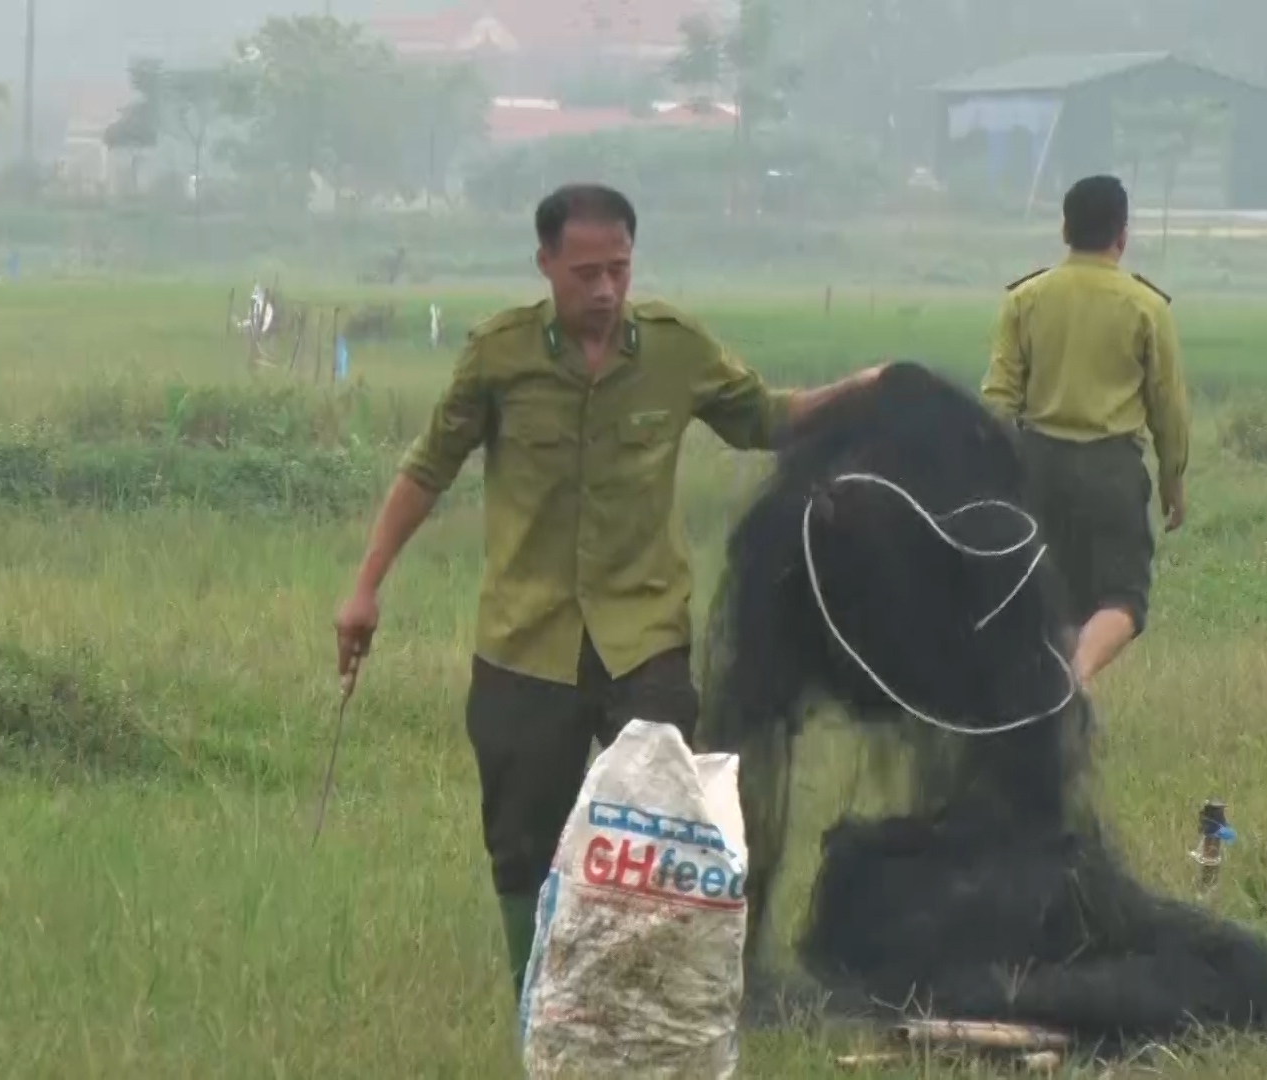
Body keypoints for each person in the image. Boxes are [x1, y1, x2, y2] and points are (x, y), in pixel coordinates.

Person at [332, 183, 880, 1000]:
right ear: (545, 263)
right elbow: (428, 467)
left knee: (658, 834)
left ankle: (637, 1007)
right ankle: (536, 1004)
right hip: (525, 640)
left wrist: (865, 389)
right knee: (522, 842)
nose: (602, 291)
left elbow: (764, 419)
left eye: (617, 270)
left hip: (644, 635)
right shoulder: (499, 355)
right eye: (584, 272)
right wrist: (365, 587)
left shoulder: (675, 350)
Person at [979, 174, 1190, 691]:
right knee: (1123, 598)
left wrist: (990, 474)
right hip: (1111, 470)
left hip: (1037, 466)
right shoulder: (1147, 307)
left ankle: (1050, 695)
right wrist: (1171, 481)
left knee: (1051, 596)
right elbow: (1169, 407)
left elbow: (998, 399)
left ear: (1065, 229)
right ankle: (1070, 682)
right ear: (1122, 234)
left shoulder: (1025, 299)